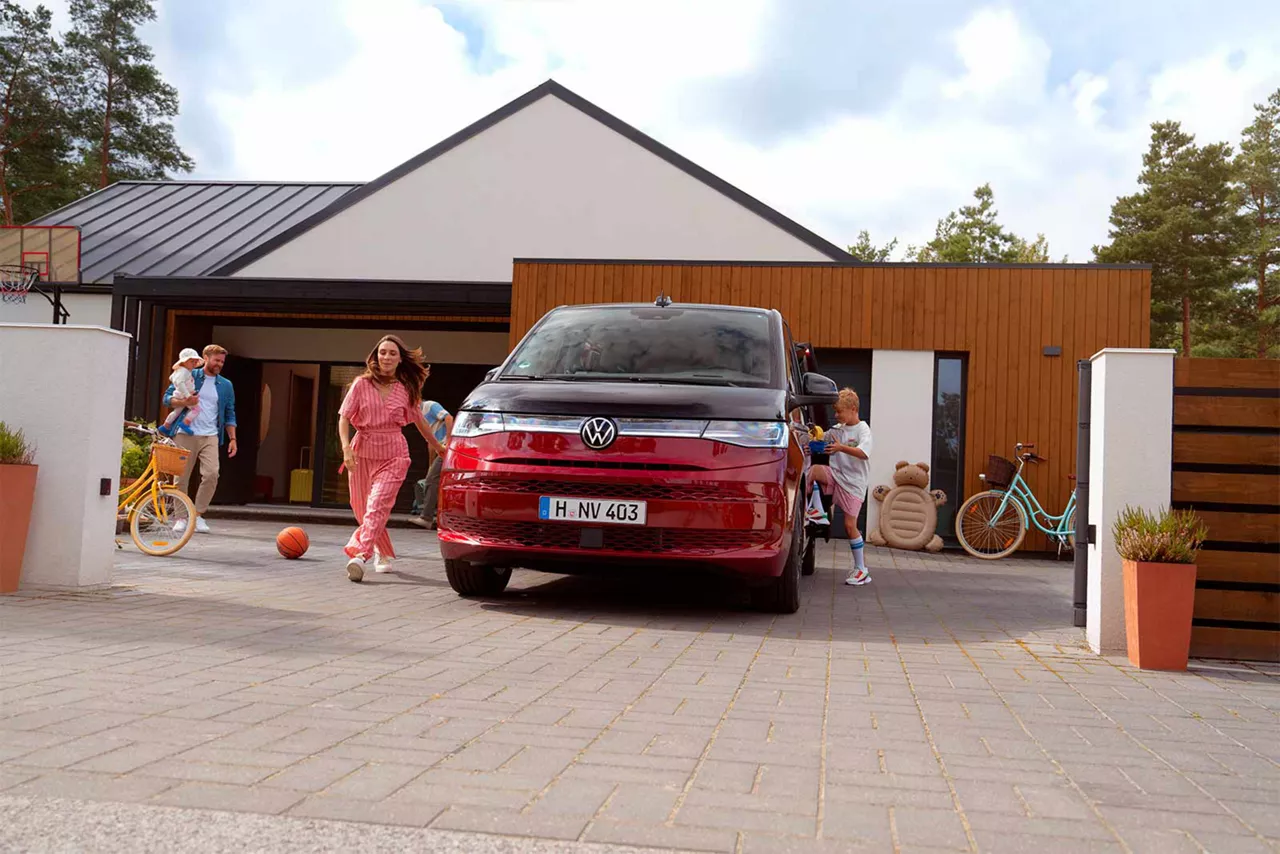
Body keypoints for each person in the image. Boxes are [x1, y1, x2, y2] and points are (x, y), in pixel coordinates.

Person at [338, 335, 446, 582]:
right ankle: (382, 551)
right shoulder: (361, 384)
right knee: (362, 509)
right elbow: (344, 417)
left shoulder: (406, 389)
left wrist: (438, 446)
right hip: (361, 453)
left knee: (377, 505)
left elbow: (420, 421)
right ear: (375, 357)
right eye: (382, 352)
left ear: (400, 360)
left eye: (392, 353)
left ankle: (360, 555)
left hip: (394, 455)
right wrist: (346, 448)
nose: (386, 357)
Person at [162, 344, 237, 533]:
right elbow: (167, 398)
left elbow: (230, 413)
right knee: (181, 477)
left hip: (210, 434)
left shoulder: (226, 385)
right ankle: (181, 517)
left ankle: (197, 515)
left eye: (222, 361)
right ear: (205, 358)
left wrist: (233, 439)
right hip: (185, 433)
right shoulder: (189, 374)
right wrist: (184, 401)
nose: (219, 364)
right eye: (216, 360)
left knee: (212, 474)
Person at [806, 388, 873, 585]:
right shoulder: (837, 429)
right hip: (836, 475)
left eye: (839, 411)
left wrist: (841, 448)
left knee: (850, 526)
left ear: (853, 409)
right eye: (835, 411)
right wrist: (811, 441)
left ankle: (861, 570)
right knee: (814, 471)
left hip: (854, 484)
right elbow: (820, 438)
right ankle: (817, 510)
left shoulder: (863, 430)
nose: (836, 415)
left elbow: (864, 453)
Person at [410, 399, 453, 530]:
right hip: (441, 449)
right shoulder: (417, 416)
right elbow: (430, 443)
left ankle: (426, 518)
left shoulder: (430, 406)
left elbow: (449, 418)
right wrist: (430, 465)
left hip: (446, 447)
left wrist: (449, 441)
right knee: (436, 480)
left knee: (432, 480)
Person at [158, 348, 204, 437]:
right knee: (196, 409)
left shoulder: (181, 371)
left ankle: (166, 425)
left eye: (195, 362)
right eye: (192, 361)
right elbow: (179, 383)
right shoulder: (184, 371)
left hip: (180, 393)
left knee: (177, 412)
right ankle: (185, 423)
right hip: (183, 395)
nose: (194, 364)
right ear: (184, 361)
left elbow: (172, 378)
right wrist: (188, 395)